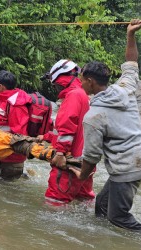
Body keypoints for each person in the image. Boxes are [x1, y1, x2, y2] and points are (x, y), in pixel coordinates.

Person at [69, 19, 141, 232]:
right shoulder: (124, 88)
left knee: (118, 218)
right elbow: (131, 64)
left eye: (81, 79)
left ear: (90, 81)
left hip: (128, 166)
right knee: (102, 205)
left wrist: (82, 175)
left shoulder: (94, 116)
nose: (79, 82)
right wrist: (130, 35)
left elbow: (91, 156)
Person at [39, 59, 95, 205]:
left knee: (55, 202)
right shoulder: (83, 95)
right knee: (84, 202)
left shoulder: (73, 95)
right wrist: (46, 136)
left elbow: (67, 126)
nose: (55, 88)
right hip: (85, 162)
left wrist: (60, 153)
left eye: (55, 84)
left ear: (61, 80)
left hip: (70, 162)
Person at [0, 70, 32, 180]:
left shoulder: (16, 104)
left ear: (1, 86)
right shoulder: (7, 100)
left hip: (11, 158)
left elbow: (20, 133)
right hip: (1, 153)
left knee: (7, 191)